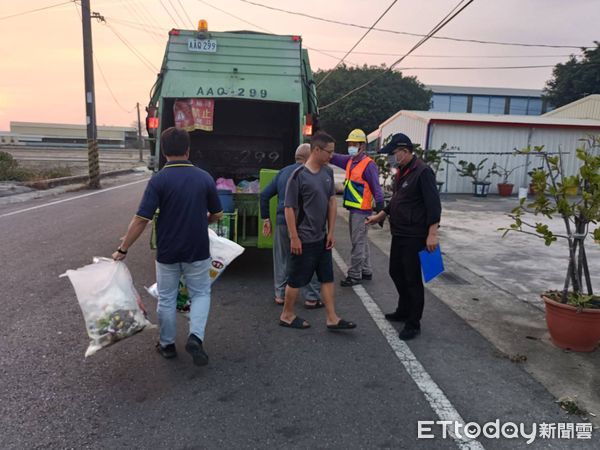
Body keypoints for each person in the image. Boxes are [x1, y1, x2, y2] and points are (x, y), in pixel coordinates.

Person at [112, 127, 223, 365]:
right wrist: (204, 219)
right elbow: (217, 213)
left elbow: (142, 219)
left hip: (168, 250)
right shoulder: (204, 177)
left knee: (167, 298)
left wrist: (123, 249)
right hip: (197, 248)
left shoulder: (158, 180)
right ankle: (196, 337)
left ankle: (167, 345)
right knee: (201, 293)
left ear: (163, 151)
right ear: (188, 149)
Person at [366, 133, 441, 341]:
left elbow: (434, 205)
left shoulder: (423, 172)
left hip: (415, 235)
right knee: (395, 271)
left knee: (412, 278)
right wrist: (381, 215)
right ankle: (403, 309)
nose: (391, 157)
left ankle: (413, 322)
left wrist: (432, 233)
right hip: (399, 232)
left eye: (394, 153)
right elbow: (398, 199)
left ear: (405, 151)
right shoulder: (402, 171)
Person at [279, 131, 356, 331]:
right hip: (303, 238)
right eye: (329, 152)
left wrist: (331, 232)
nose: (332, 156)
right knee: (296, 279)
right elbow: (289, 208)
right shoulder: (298, 176)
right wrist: (294, 236)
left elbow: (331, 202)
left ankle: (332, 318)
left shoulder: (327, 173)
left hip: (322, 238)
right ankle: (287, 315)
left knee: (327, 277)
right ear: (316, 150)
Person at [260, 143, 322, 308]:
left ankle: (280, 295)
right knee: (309, 259)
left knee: (282, 259)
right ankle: (311, 297)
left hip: (282, 222)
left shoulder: (283, 172)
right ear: (309, 157)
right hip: (305, 225)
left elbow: (265, 195)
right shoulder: (311, 173)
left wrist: (266, 219)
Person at [329, 128, 384, 287]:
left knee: (357, 242)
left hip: (362, 210)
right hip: (354, 209)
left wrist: (381, 209)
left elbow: (376, 188)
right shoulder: (350, 161)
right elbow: (333, 157)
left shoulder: (368, 165)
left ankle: (354, 275)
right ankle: (366, 270)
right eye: (350, 143)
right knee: (362, 241)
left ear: (362, 146)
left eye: (354, 144)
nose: (351, 146)